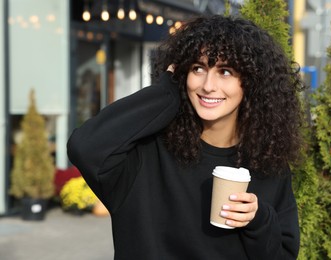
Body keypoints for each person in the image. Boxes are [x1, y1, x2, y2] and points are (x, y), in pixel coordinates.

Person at [67, 14, 305, 259]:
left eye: (225, 71)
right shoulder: (146, 154)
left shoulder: (267, 165)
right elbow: (84, 146)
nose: (208, 85)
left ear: (252, 83)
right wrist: (166, 92)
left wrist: (258, 219)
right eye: (198, 68)